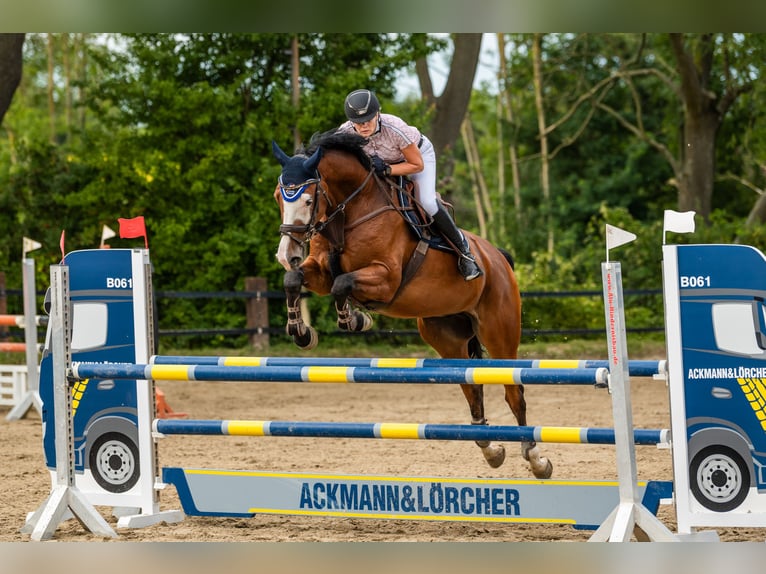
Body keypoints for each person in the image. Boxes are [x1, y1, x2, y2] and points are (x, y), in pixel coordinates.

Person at [337, 89, 482, 281]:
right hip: (381, 166)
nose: (363, 126)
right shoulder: (345, 132)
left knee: (427, 202)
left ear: (378, 113)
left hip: (417, 158)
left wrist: (388, 169)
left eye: (368, 120)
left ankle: (465, 252)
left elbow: (416, 164)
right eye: (358, 123)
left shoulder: (395, 128)